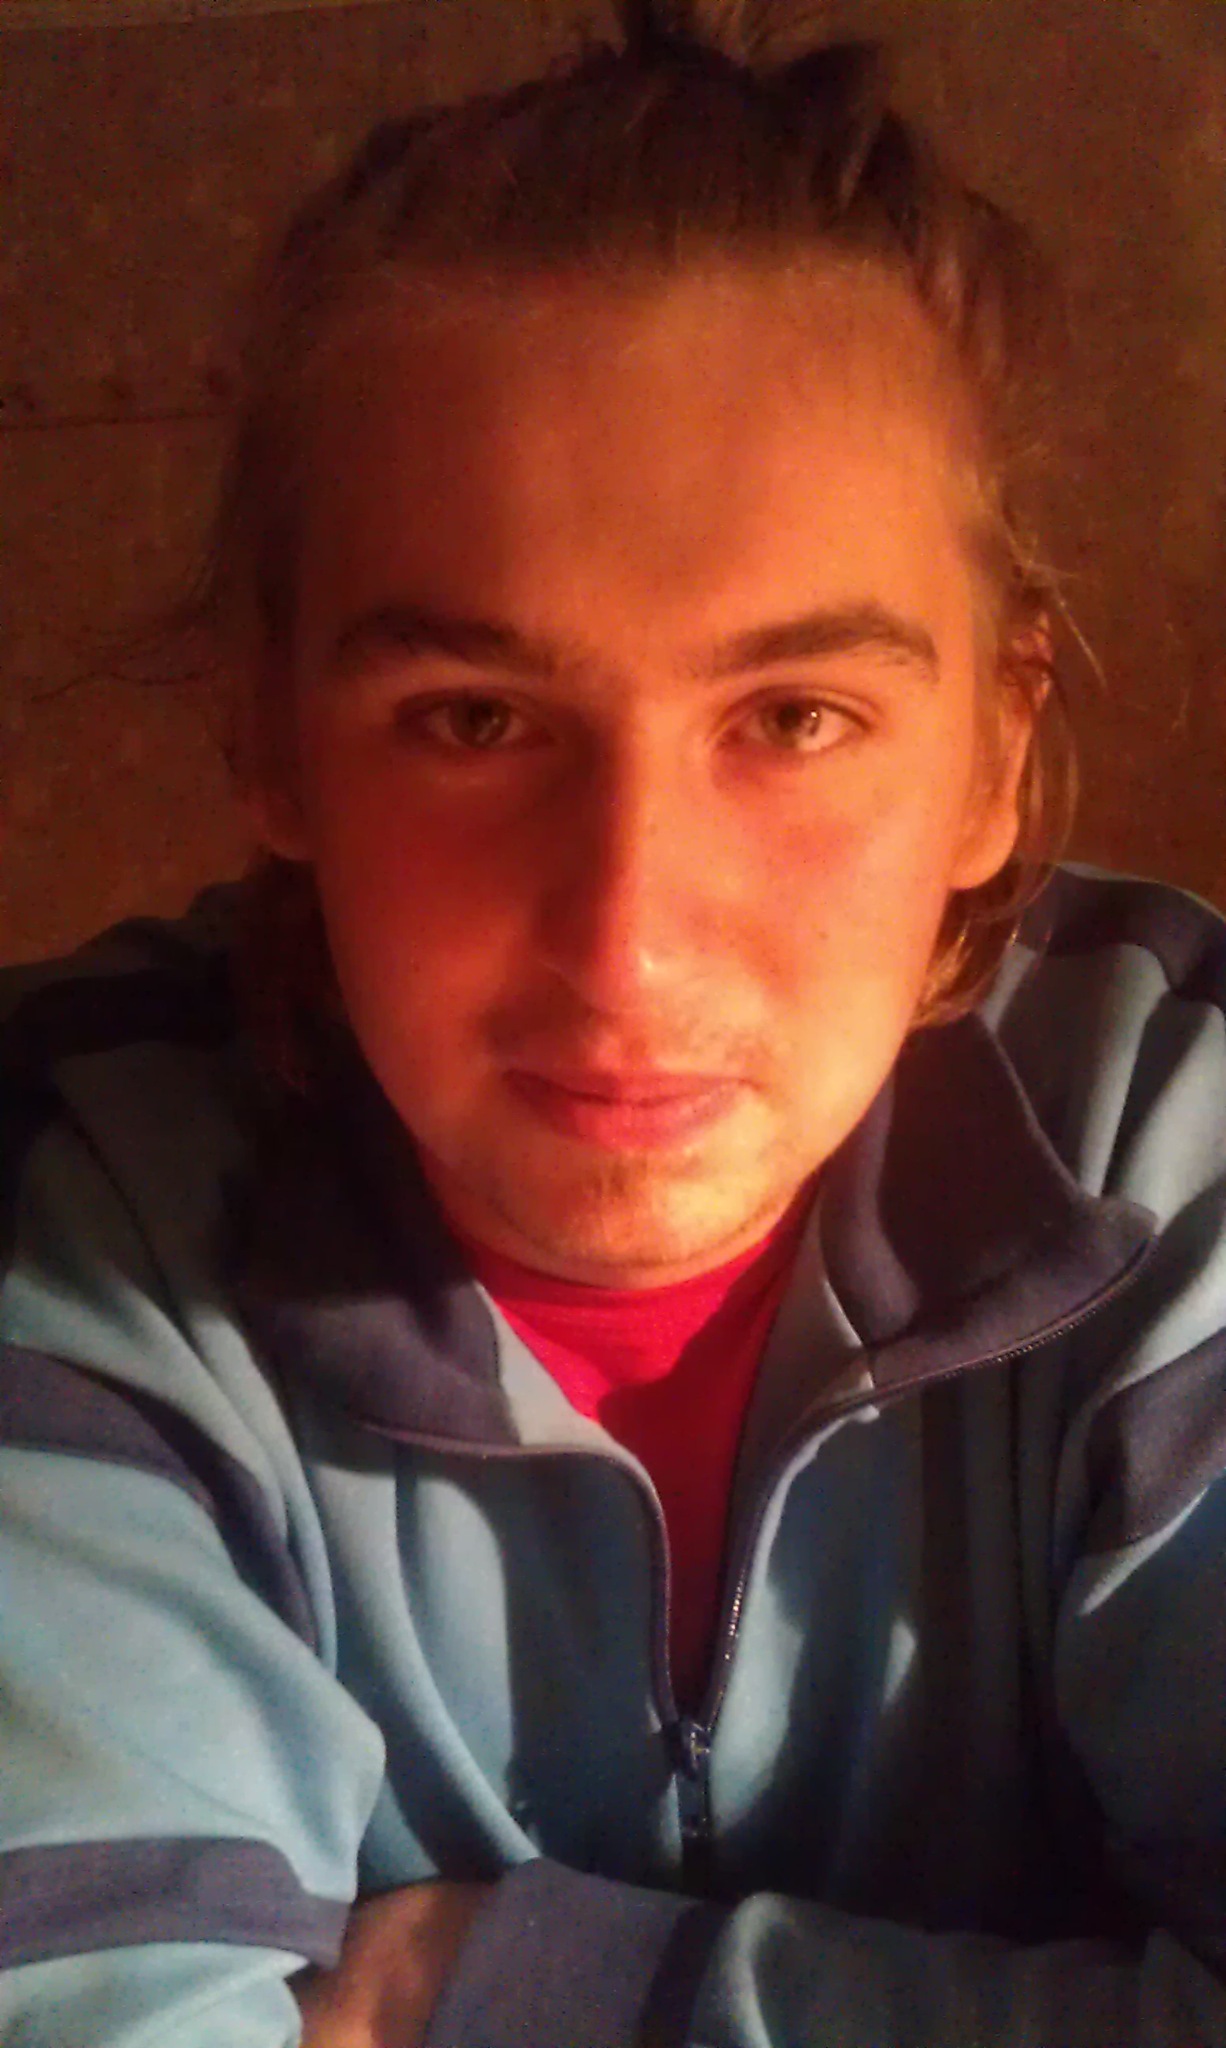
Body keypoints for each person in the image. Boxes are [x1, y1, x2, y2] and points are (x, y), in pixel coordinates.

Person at [2, 4, 1225, 2043]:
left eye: (795, 718)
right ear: (268, 736)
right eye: (475, 721)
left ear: (994, 756)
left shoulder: (1172, 1140)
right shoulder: (69, 1206)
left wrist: (497, 1988)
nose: (628, 942)